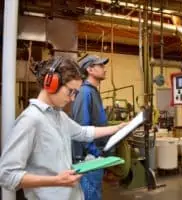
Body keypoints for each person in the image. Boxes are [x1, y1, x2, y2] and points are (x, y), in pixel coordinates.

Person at [0, 56, 126, 200]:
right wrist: (56, 180)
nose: (73, 99)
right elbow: (7, 175)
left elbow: (83, 132)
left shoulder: (59, 116)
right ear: (51, 84)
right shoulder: (31, 120)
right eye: (71, 91)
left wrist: (118, 128)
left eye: (76, 93)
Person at [71, 55, 110, 200]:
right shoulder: (85, 92)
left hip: (95, 156)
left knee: (95, 193)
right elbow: (82, 128)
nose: (104, 69)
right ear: (90, 69)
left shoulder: (92, 91)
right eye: (101, 66)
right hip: (89, 159)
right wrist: (96, 153)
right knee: (91, 195)